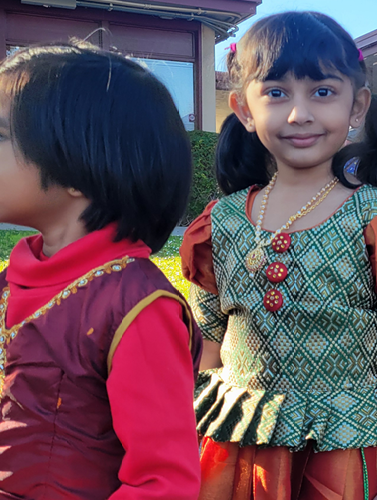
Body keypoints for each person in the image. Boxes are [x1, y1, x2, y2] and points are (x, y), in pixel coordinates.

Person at [180, 12, 377, 500]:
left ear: (357, 106)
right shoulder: (219, 222)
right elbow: (208, 349)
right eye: (276, 93)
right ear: (244, 109)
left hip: (342, 452)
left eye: (322, 91)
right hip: (237, 451)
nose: (299, 113)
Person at [0, 42, 202, 499]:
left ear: (77, 167)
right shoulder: (13, 280)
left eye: (0, 136)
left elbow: (164, 483)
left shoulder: (135, 305)